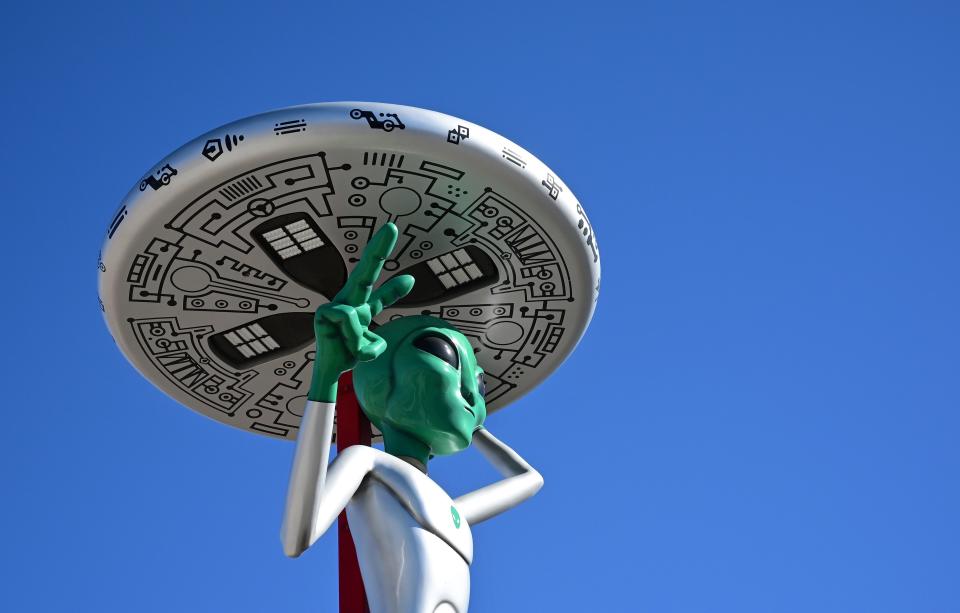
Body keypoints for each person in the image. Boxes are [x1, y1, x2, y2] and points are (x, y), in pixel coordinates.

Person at [281, 223, 543, 613]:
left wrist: (476, 422)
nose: (471, 392)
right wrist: (327, 378)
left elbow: (530, 480)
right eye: (446, 357)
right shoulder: (368, 464)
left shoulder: (453, 512)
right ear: (383, 382)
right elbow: (296, 538)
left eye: (479, 384)